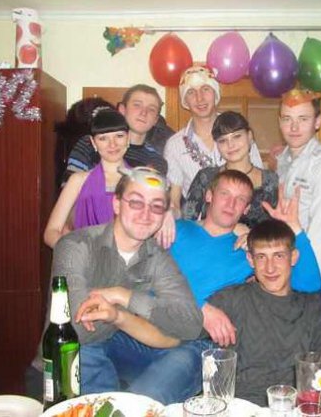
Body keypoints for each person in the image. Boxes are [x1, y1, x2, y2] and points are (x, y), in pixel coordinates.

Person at [29, 166, 203, 405]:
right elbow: (76, 327)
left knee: (193, 353)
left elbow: (190, 324)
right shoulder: (76, 245)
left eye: (156, 206)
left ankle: (132, 404)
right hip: (71, 356)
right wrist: (134, 319)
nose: (146, 214)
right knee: (82, 350)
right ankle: (128, 406)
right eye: (136, 202)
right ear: (117, 204)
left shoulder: (157, 257)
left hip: (118, 344)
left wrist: (123, 299)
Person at [170, 169, 321, 347]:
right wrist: (199, 307)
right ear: (209, 196)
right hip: (156, 320)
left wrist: (294, 228)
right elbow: (147, 277)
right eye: (225, 194)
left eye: (240, 199)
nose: (231, 204)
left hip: (200, 340)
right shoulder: (175, 229)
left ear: (246, 209)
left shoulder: (249, 253)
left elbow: (309, 284)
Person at [208, 219, 321, 407]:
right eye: (261, 257)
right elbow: (181, 330)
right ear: (250, 260)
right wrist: (203, 311)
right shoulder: (231, 299)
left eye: (279, 256)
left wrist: (297, 399)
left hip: (294, 406)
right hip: (240, 407)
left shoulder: (312, 307)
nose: (270, 268)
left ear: (293, 257)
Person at [164, 65, 263, 213]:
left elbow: (259, 183)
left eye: (205, 89)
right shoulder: (175, 145)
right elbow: (174, 201)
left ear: (215, 94)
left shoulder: (239, 133)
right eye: (191, 92)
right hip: (199, 222)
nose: (199, 98)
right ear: (185, 101)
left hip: (244, 219)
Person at [44, 108, 129, 248]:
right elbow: (51, 232)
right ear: (93, 142)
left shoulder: (139, 180)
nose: (112, 144)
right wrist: (77, 254)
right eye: (103, 138)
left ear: (128, 138)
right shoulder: (78, 181)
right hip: (86, 258)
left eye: (119, 136)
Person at [276, 88, 321, 275]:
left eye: (303, 119)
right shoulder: (282, 158)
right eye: (287, 119)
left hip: (306, 265)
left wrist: (309, 274)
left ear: (317, 121)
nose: (294, 128)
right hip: (282, 262)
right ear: (279, 122)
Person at [183, 111, 278, 227]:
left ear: (249, 136)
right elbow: (186, 224)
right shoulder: (206, 177)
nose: (230, 145)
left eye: (237, 136)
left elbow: (280, 229)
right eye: (222, 140)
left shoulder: (271, 180)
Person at [65, 84, 170, 181]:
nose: (144, 112)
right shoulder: (90, 144)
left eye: (151, 109)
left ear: (156, 120)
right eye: (137, 105)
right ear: (122, 110)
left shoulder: (156, 160)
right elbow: (69, 187)